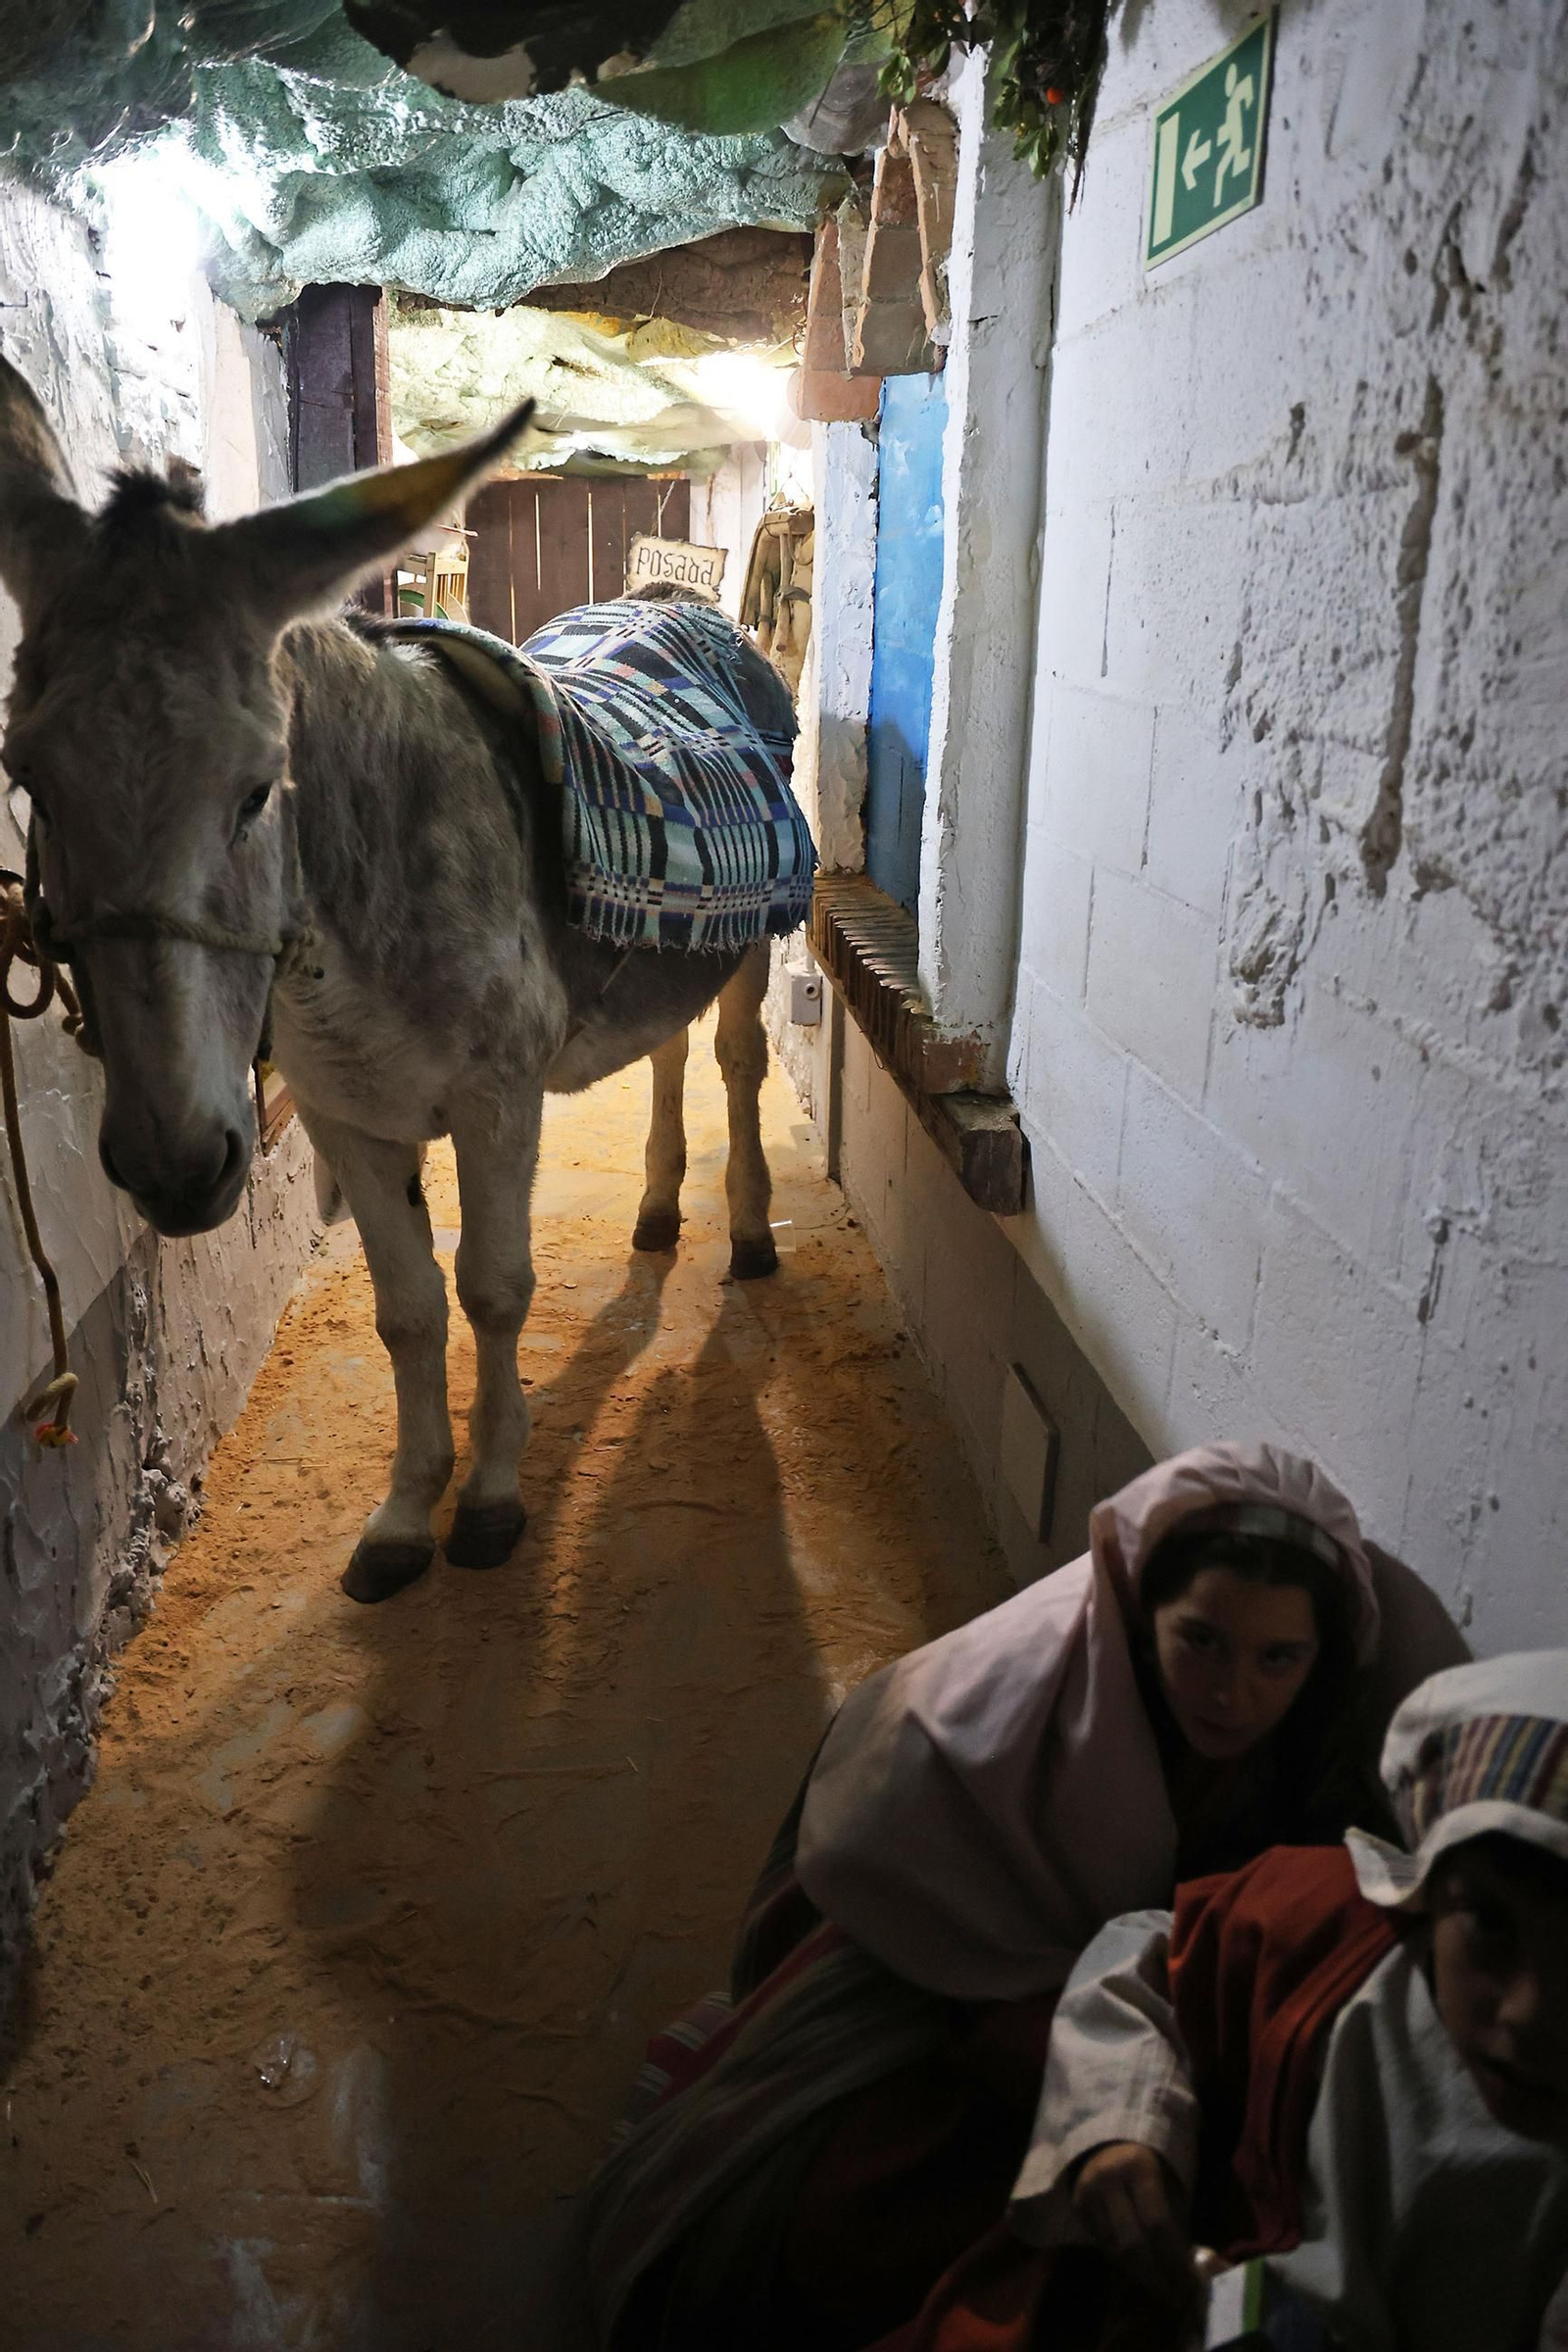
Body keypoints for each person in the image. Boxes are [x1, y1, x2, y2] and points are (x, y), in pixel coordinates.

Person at [582, 1443, 1466, 2350]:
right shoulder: (1012, 1705)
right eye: (1200, 1640)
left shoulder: (1313, 1758)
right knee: (821, 2238)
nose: (1231, 1694)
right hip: (940, 1999)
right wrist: (1066, 2052)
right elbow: (888, 1870)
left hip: (1121, 2028)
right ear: (1143, 1616)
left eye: (1278, 1658)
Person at [888, 1649, 1568, 2352]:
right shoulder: (1333, 1928)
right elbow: (1143, 1954)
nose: (1529, 2014)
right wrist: (1124, 2119)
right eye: (1490, 1926)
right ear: (1429, 1890)